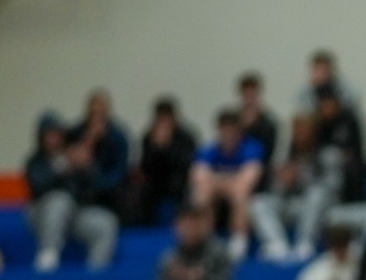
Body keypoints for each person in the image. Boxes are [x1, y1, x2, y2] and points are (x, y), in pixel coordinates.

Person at [23, 113, 118, 273]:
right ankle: (48, 255)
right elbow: (39, 185)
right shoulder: (35, 161)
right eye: (50, 134)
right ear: (41, 137)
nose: (54, 139)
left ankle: (96, 271)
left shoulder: (75, 157)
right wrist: (63, 165)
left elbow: (96, 189)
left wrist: (87, 167)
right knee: (60, 199)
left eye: (57, 134)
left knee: (106, 221)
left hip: (72, 216)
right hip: (42, 215)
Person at [251, 114, 338, 263]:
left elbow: (333, 186)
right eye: (297, 130)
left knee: (315, 194)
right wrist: (283, 182)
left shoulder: (326, 154)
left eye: (304, 129)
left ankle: (305, 243)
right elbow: (275, 191)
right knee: (259, 202)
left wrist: (301, 177)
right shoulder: (284, 155)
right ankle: (276, 244)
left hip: (320, 209)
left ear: (313, 131)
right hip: (292, 205)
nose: (300, 134)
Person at [190, 110, 266, 261]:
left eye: (232, 128)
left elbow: (249, 179)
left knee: (241, 193)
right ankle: (205, 239)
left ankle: (238, 243)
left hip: (241, 194)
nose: (228, 133)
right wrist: (229, 182)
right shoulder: (209, 150)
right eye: (224, 128)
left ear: (239, 130)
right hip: (219, 191)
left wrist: (217, 181)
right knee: (200, 194)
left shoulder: (251, 147)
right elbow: (197, 176)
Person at [129, 98, 196, 227]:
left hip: (178, 180)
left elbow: (185, 164)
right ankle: (143, 227)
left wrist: (167, 148)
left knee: (184, 189)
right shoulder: (148, 137)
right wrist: (156, 148)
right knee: (140, 189)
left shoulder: (186, 137)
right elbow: (145, 166)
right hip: (155, 180)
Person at [66, 89, 130, 218]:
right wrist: (88, 142)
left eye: (100, 114)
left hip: (108, 198)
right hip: (76, 196)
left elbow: (117, 176)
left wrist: (91, 169)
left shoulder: (118, 138)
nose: (96, 119)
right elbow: (66, 165)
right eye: (93, 114)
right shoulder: (75, 133)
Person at [310, 86, 366, 208]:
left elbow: (356, 153)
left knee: (332, 157)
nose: (327, 109)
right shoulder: (317, 125)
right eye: (324, 105)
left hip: (347, 177)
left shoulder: (349, 121)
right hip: (321, 178)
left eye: (330, 104)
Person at [233, 72, 280, 165]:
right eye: (246, 94)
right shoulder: (233, 120)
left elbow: (269, 151)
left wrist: (254, 126)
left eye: (252, 94)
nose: (249, 99)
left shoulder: (269, 121)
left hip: (260, 166)